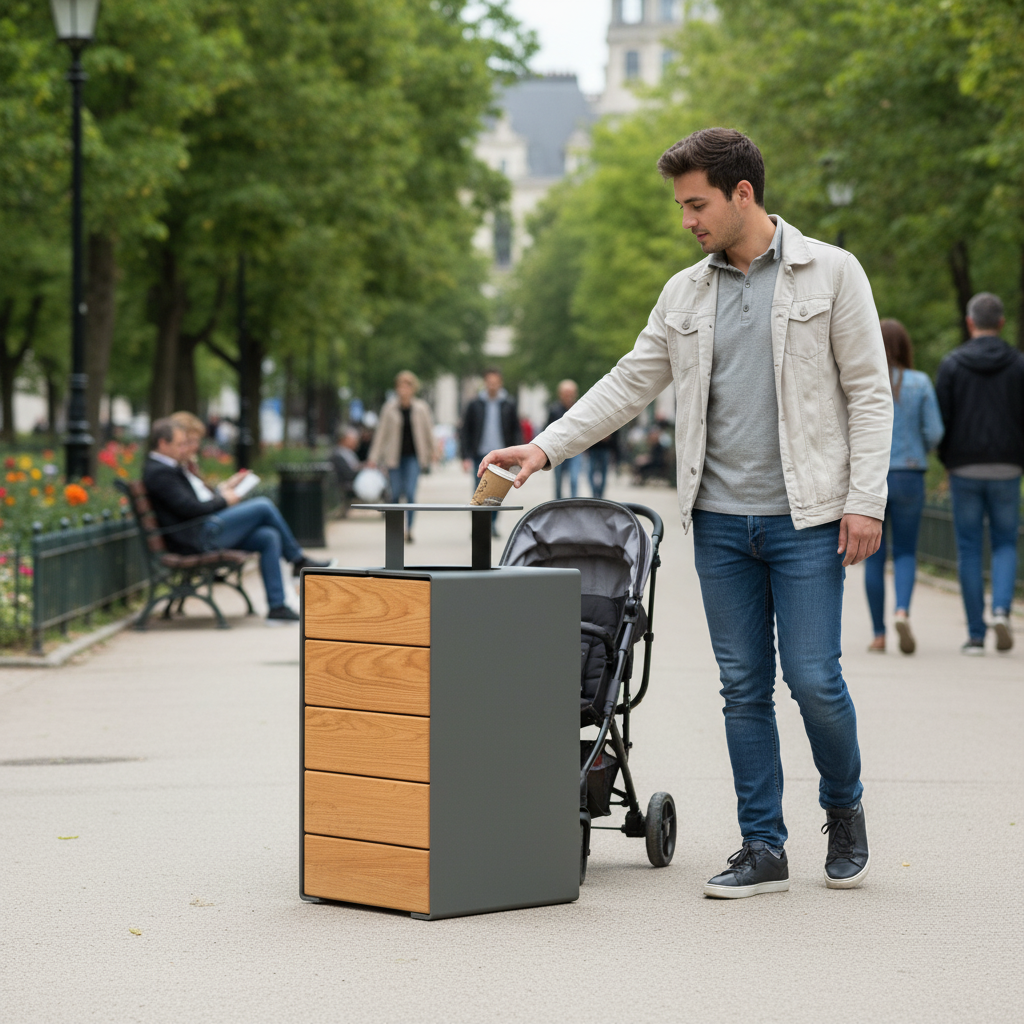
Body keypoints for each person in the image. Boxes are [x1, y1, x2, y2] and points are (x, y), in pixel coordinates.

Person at [479, 128, 892, 899]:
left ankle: (843, 803)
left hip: (807, 518)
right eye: (681, 206)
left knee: (814, 679)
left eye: (697, 203)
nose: (687, 220)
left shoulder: (831, 273)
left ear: (743, 194)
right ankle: (762, 846)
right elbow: (628, 382)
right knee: (742, 687)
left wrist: (865, 500)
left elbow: (869, 392)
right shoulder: (685, 293)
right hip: (721, 521)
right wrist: (544, 449)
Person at [142, 418, 333, 623]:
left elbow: (194, 502)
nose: (184, 449)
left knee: (268, 536)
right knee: (263, 505)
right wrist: (225, 500)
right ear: (162, 443)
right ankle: (297, 560)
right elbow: (191, 509)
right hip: (196, 538)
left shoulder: (170, 467)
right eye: (179, 444)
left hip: (203, 529)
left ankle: (277, 607)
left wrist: (223, 491)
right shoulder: (159, 472)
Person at [936, 292, 1024, 655]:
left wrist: (947, 458)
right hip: (1008, 466)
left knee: (969, 549)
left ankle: (975, 634)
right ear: (1001, 323)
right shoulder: (1019, 364)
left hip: (965, 467)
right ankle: (1002, 609)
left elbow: (942, 419)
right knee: (1005, 542)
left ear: (970, 322)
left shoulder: (952, 364)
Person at [862, 321, 944, 654]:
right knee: (907, 551)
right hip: (910, 474)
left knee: (874, 558)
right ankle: (902, 612)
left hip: (872, 476)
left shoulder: (865, 382)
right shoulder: (920, 382)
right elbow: (936, 432)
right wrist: (916, 451)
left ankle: (879, 635)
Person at [367, 370, 436, 542]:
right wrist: (373, 457)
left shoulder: (421, 408)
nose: (403, 389)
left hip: (413, 457)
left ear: (413, 388)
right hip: (393, 458)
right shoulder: (389, 408)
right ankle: (396, 531)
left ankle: (409, 529)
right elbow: (381, 434)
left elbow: (428, 432)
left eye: (407, 386)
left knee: (411, 494)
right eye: (400, 386)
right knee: (396, 493)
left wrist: (434, 451)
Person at [460, 367, 522, 535]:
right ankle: (479, 525)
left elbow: (516, 430)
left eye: (495, 383)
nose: (492, 386)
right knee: (479, 490)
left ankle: (492, 524)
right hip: (480, 454)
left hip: (502, 456)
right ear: (485, 383)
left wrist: (516, 455)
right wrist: (465, 456)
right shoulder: (475, 404)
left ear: (500, 383)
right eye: (489, 382)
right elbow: (465, 431)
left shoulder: (508, 404)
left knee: (496, 493)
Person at [547, 380, 582, 499]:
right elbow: (547, 429)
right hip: (557, 450)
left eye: (571, 393)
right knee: (558, 481)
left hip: (575, 450)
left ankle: (573, 501)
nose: (568, 396)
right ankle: (557, 503)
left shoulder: (579, 409)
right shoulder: (554, 409)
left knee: (574, 479)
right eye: (566, 393)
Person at [329, 426, 362, 513]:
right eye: (353, 439)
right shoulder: (338, 454)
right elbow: (348, 473)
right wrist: (362, 469)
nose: (356, 442)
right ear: (344, 439)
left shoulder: (348, 453)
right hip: (347, 483)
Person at [587, 430, 620, 500]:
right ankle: (595, 494)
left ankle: (600, 496)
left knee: (603, 473)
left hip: (605, 447)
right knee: (591, 473)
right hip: (593, 447)